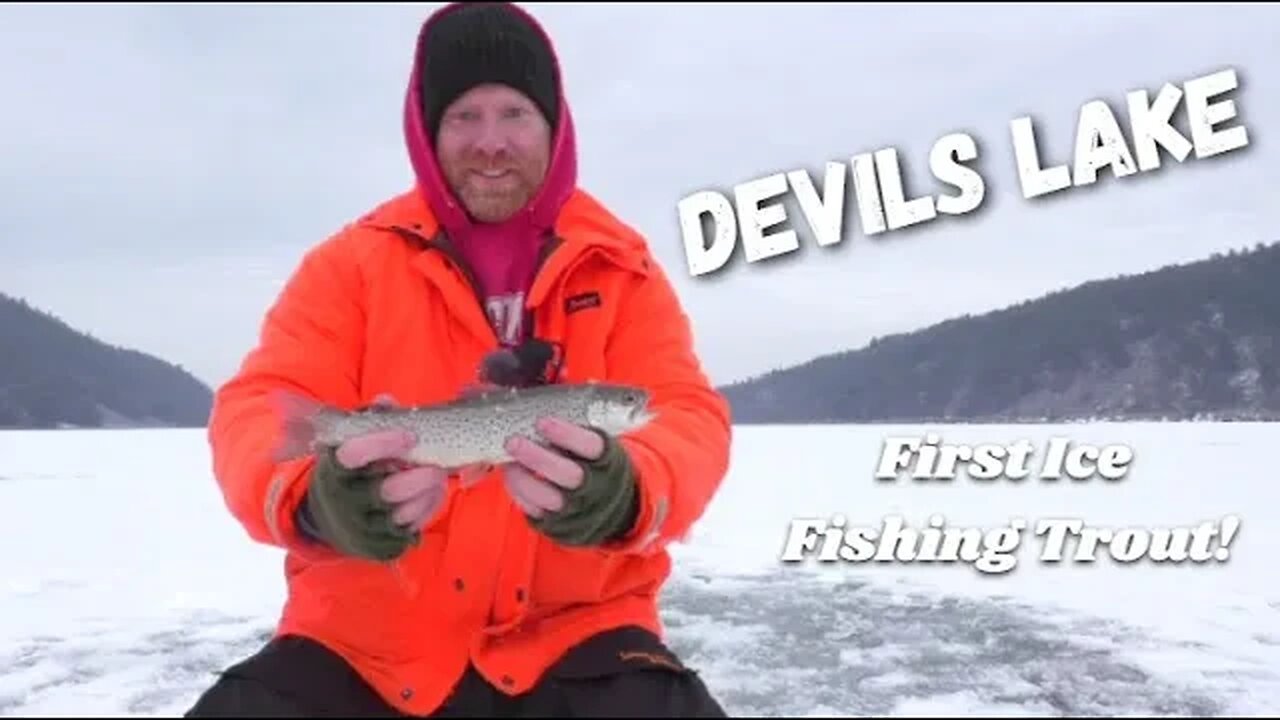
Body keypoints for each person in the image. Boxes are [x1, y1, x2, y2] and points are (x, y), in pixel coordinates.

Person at [185, 1, 733, 717]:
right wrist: (315, 500)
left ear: (554, 126)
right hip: (364, 644)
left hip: (578, 638)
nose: (491, 141)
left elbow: (686, 415)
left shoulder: (621, 268)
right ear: (428, 133)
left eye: (514, 113)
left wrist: (630, 487)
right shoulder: (349, 266)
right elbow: (260, 406)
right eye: (464, 117)